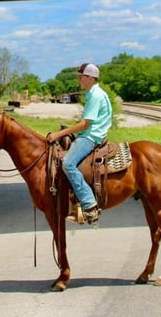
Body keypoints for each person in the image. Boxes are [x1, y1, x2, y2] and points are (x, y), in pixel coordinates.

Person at [45, 63, 112, 224]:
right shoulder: (94, 93)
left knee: (67, 163)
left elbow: (85, 124)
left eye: (81, 77)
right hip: (91, 133)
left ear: (90, 78)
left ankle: (89, 204)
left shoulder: (95, 95)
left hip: (91, 137)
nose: (78, 79)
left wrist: (58, 134)